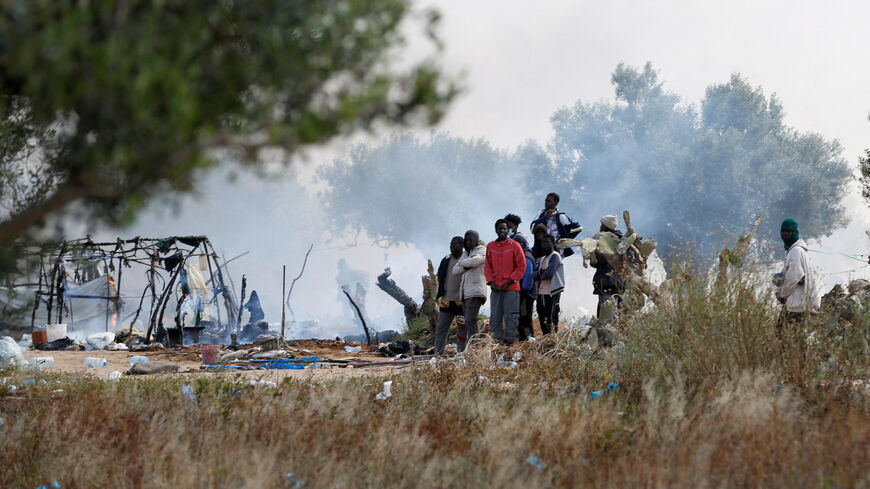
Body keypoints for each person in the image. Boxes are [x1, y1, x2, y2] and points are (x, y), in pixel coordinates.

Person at [775, 218, 820, 342]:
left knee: (787, 337)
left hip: (798, 304)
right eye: (783, 232)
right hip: (799, 302)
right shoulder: (796, 251)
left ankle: (794, 360)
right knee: (793, 337)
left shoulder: (795, 251)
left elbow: (794, 276)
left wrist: (781, 294)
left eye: (789, 232)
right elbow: (794, 274)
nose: (785, 235)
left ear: (795, 232)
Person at [484, 219, 526, 345]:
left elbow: (522, 266)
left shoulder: (515, 245)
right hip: (496, 288)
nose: (502, 231)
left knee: (511, 315)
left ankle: (510, 341)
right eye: (500, 228)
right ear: (496, 230)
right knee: (495, 315)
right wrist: (491, 282)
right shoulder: (490, 246)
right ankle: (496, 340)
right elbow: (487, 266)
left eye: (504, 228)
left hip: (511, 288)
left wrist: (510, 281)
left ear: (508, 230)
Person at [452, 230, 487, 352]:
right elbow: (455, 270)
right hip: (466, 293)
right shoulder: (466, 253)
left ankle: (474, 348)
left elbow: (475, 261)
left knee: (471, 320)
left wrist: (464, 263)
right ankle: (473, 347)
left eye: (470, 239)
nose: (467, 242)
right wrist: (466, 263)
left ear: (475, 239)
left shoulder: (481, 249)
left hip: (476, 291)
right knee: (469, 322)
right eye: (466, 240)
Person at [434, 236, 465, 355]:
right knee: (441, 328)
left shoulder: (466, 259)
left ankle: (461, 354)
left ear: (461, 246)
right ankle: (437, 354)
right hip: (446, 300)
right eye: (451, 244)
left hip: (461, 301)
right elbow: (440, 277)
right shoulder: (446, 259)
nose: (451, 246)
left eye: (454, 244)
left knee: (462, 329)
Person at [590, 214, 625, 317]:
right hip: (620, 284)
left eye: (602, 225)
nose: (600, 227)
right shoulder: (623, 241)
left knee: (606, 317)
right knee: (618, 314)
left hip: (607, 284)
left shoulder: (606, 242)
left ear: (606, 226)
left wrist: (592, 255)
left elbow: (597, 262)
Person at [529, 192, 582, 257]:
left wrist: (564, 240)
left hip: (556, 250)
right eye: (546, 201)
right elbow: (532, 230)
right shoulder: (541, 213)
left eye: (549, 201)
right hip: (541, 248)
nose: (546, 203)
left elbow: (578, 228)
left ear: (556, 203)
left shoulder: (560, 216)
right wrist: (544, 218)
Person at [534, 234, 565, 335]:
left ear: (552, 243)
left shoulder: (555, 256)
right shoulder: (543, 258)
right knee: (541, 315)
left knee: (551, 316)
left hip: (552, 291)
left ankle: (552, 338)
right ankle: (545, 337)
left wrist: (540, 273)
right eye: (543, 242)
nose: (544, 245)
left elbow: (549, 273)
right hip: (542, 291)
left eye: (547, 242)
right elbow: (534, 274)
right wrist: (541, 273)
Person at [513, 233, 537, 341]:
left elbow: (528, 277)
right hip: (525, 293)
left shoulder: (526, 257)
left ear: (521, 244)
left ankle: (528, 340)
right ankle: (526, 340)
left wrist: (522, 293)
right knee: (524, 318)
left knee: (524, 318)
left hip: (526, 294)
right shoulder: (524, 254)